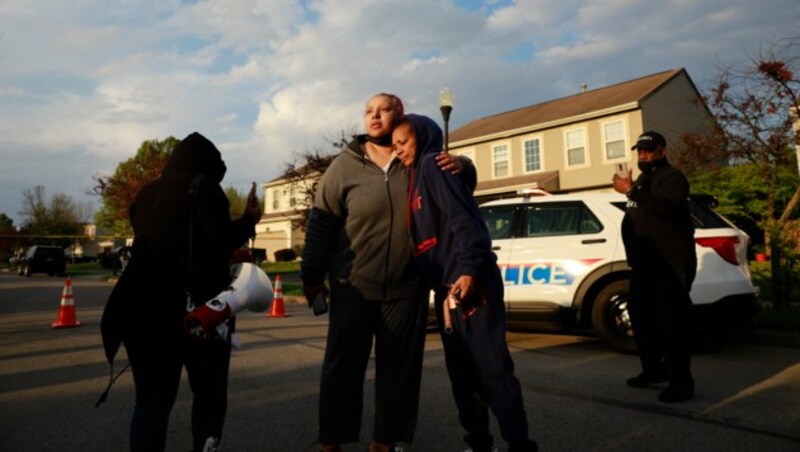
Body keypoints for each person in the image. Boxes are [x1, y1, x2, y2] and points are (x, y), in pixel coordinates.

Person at [301, 93, 470, 452]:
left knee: (399, 372)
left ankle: (385, 440)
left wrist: (462, 164)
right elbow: (321, 224)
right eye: (368, 111)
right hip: (355, 286)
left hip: (407, 287)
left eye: (383, 109)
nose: (374, 116)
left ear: (400, 114)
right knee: (342, 369)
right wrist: (312, 275)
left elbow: (460, 177)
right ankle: (331, 439)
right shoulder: (344, 166)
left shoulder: (417, 158)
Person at [100, 132, 262, 451]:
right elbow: (217, 243)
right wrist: (248, 221)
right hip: (198, 310)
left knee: (150, 404)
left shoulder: (146, 194)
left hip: (142, 312)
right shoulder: (205, 188)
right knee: (209, 394)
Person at [392, 114, 539, 452]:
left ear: (425, 136)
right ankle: (478, 443)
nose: (399, 151)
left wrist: (470, 269)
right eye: (395, 145)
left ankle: (520, 445)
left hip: (470, 282)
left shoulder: (432, 164)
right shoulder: (414, 177)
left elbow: (464, 218)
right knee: (462, 375)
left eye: (405, 142)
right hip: (447, 290)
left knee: (491, 370)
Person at [612, 130, 697, 403]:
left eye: (648, 151)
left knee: (672, 324)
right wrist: (632, 192)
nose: (643, 156)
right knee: (641, 317)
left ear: (662, 151)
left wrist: (631, 190)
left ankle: (682, 382)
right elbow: (641, 208)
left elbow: (667, 209)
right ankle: (653, 369)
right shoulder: (645, 180)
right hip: (645, 265)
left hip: (670, 264)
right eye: (640, 151)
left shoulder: (673, 178)